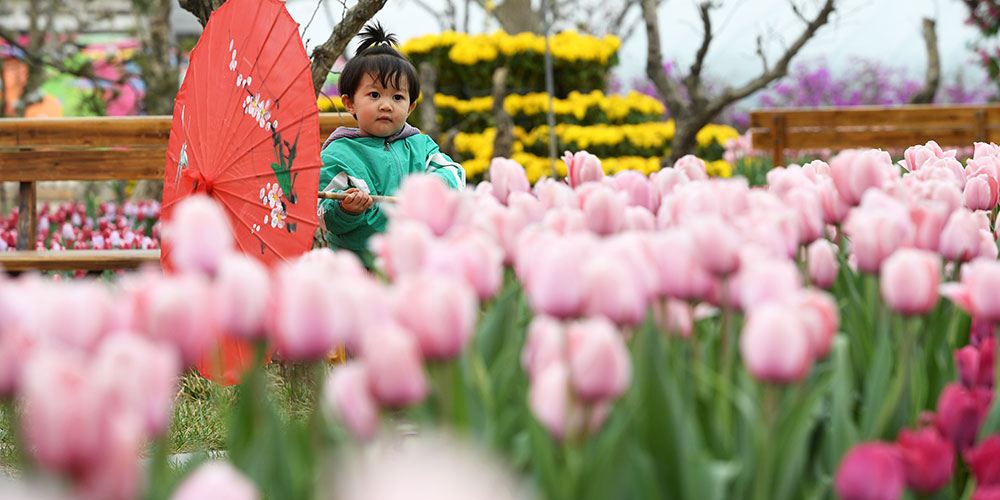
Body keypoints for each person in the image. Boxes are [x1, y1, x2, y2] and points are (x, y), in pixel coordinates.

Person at [317, 22, 465, 264]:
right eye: (374, 95)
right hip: (362, 267)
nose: (386, 105)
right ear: (350, 102)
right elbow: (323, 212)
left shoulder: (419, 145)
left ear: (410, 107)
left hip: (418, 261)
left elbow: (454, 173)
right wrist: (347, 211)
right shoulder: (339, 154)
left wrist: (429, 191)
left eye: (397, 97)